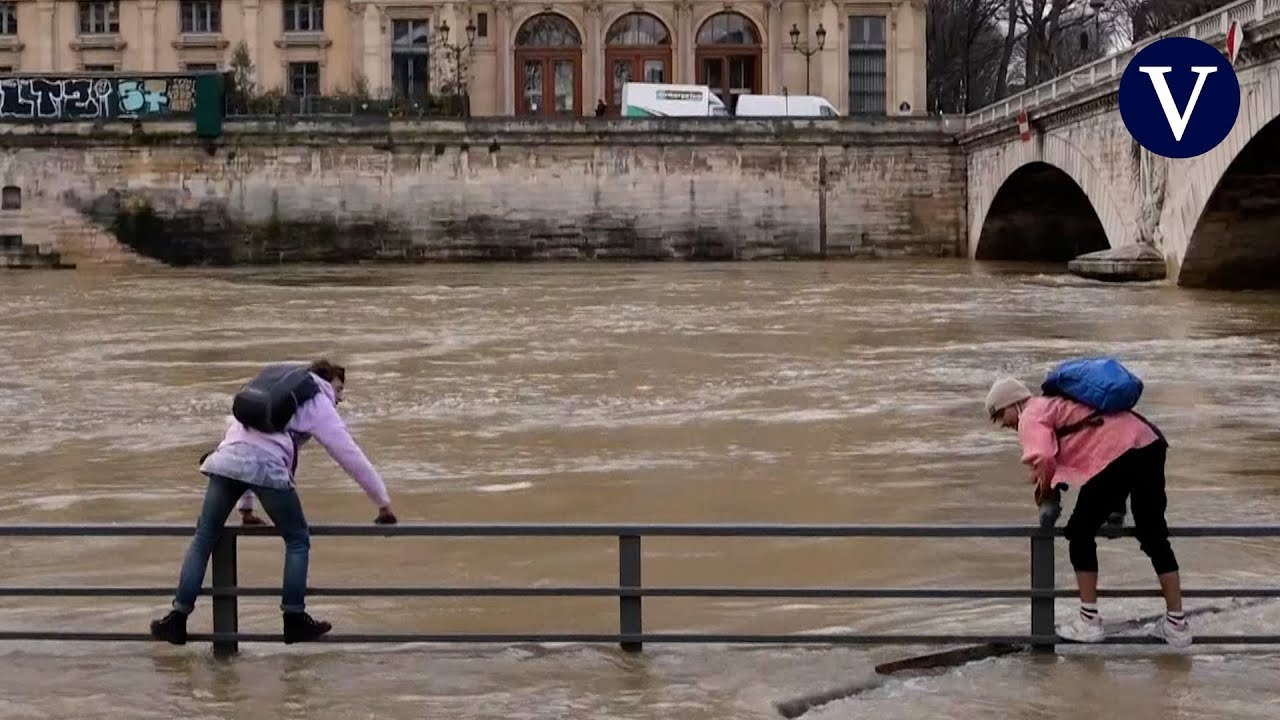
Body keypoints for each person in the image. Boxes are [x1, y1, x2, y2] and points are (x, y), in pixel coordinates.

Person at [151, 358, 398, 645]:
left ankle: (176, 620)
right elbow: (348, 454)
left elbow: (244, 440)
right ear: (325, 382)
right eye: (339, 389)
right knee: (297, 539)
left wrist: (246, 509)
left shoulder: (273, 391)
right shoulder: (317, 400)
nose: (340, 398)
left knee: (204, 537)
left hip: (225, 460)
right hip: (268, 469)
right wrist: (382, 501)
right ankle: (294, 619)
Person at [985, 376, 1191, 648]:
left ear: (1013, 402)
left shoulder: (1030, 415)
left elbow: (1045, 458)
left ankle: (1089, 621)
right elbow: (1079, 447)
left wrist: (1046, 493)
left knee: (1079, 532)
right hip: (1148, 443)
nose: (1004, 424)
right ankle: (1177, 625)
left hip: (1118, 454)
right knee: (1153, 535)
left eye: (1000, 415)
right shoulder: (1054, 405)